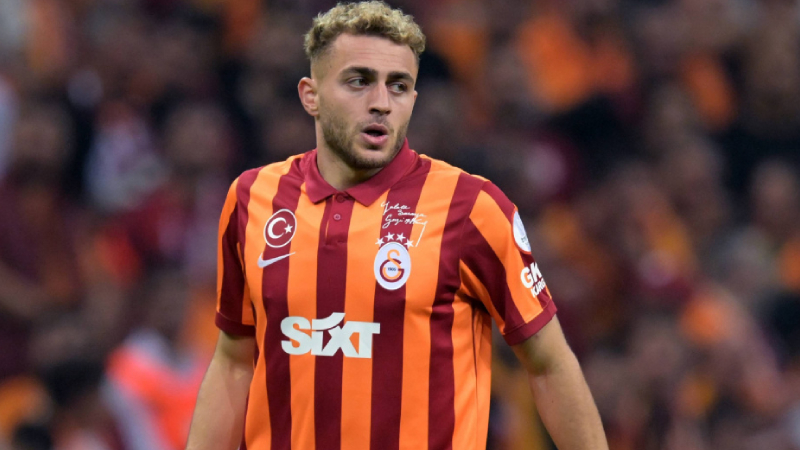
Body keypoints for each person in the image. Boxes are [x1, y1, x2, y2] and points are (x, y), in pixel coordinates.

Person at [185, 2, 608, 450]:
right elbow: (234, 362)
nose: (381, 103)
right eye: (359, 81)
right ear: (311, 96)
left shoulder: (471, 207)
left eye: (399, 86)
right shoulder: (253, 198)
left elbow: (548, 365)